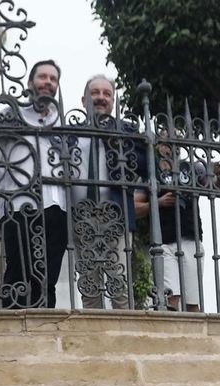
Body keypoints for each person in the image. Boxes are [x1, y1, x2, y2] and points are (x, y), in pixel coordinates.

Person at [0, 59, 70, 308]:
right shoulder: (11, 117)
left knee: (47, 279)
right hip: (19, 206)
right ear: (30, 83)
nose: (48, 83)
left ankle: (45, 332)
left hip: (56, 207)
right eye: (43, 77)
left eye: (53, 79)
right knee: (17, 274)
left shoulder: (61, 123)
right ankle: (14, 329)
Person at [70, 74, 146, 309]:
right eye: (95, 93)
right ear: (84, 100)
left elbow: (145, 166)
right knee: (89, 285)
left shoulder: (126, 131)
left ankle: (124, 338)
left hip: (116, 215)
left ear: (113, 101)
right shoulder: (71, 134)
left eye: (106, 94)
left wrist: (117, 142)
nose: (101, 98)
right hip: (82, 216)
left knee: (119, 284)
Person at [147, 138, 220, 312]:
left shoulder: (190, 169)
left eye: (174, 143)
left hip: (190, 239)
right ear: (158, 146)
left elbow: (215, 183)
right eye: (166, 143)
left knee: (192, 303)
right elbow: (137, 204)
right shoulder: (152, 173)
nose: (169, 148)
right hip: (164, 242)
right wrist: (159, 202)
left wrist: (214, 172)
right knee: (171, 298)